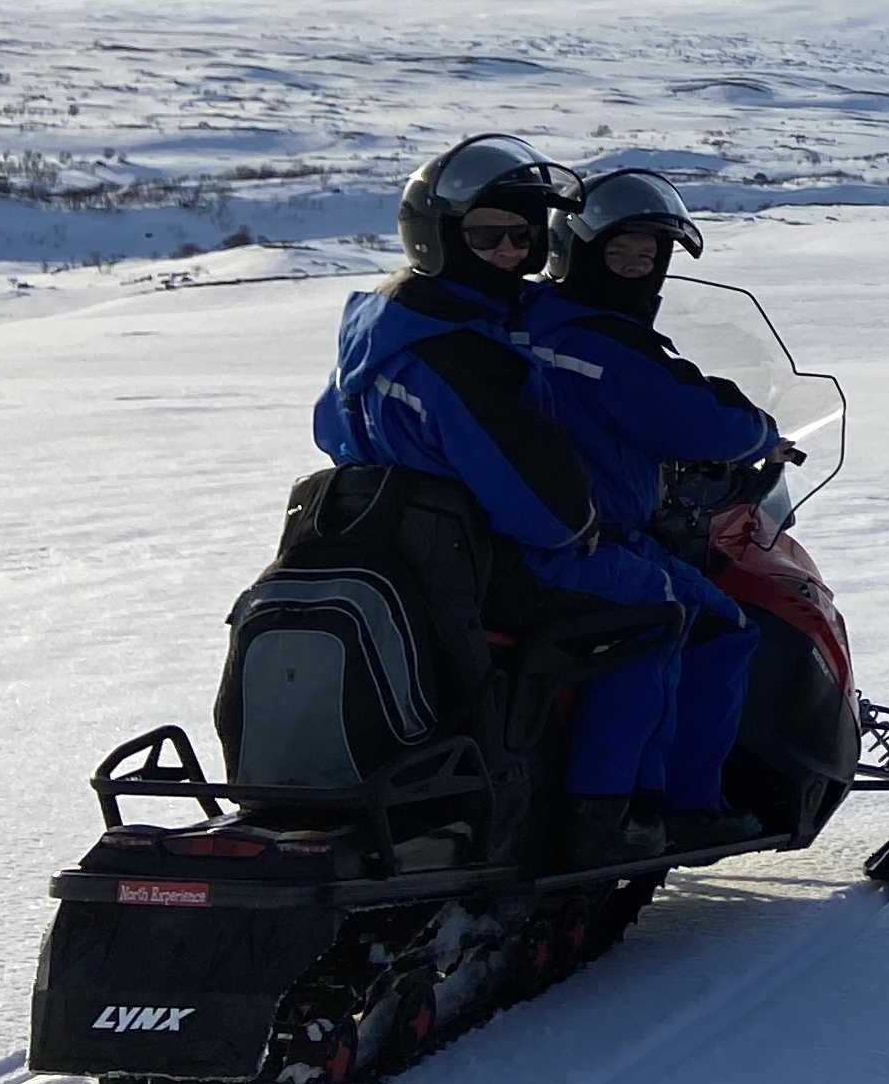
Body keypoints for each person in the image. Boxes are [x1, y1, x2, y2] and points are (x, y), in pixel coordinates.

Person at [312, 137, 776, 869]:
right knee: (659, 610)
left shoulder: (386, 325)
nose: (507, 253)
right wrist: (580, 525)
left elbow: (328, 430)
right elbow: (540, 500)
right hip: (501, 555)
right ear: (436, 235)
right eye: (488, 234)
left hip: (415, 547)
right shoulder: (465, 355)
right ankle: (614, 815)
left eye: (520, 237)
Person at [531, 167, 782, 853]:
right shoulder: (603, 343)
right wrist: (761, 433)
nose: (636, 271)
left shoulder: (527, 317)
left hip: (526, 528)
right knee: (715, 628)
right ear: (576, 251)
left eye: (649, 258)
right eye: (620, 255)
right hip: (591, 537)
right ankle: (673, 807)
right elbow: (691, 415)